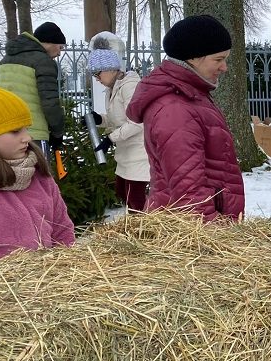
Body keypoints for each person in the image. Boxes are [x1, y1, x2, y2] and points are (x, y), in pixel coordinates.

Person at [126, 14, 244, 221]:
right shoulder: (175, 109)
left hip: (202, 222)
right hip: (191, 230)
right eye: (218, 59)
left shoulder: (191, 96)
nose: (224, 67)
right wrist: (216, 240)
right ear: (192, 58)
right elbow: (189, 193)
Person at [0, 62, 75, 260]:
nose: (27, 137)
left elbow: (63, 234)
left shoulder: (38, 175)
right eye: (15, 131)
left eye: (26, 128)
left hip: (51, 285)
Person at [87, 31, 150, 211]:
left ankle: (144, 234)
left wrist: (110, 139)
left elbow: (137, 122)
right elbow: (118, 119)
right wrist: (100, 119)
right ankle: (135, 230)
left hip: (139, 154)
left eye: (98, 73)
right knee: (122, 192)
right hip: (125, 154)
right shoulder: (112, 88)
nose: (96, 79)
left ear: (110, 68)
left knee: (135, 200)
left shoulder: (130, 86)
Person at [0, 22, 67, 155]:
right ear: (50, 42)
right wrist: (57, 133)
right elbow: (49, 102)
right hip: (34, 135)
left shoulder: (4, 61)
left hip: (6, 133)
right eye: (60, 47)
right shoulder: (44, 62)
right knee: (40, 175)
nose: (59, 52)